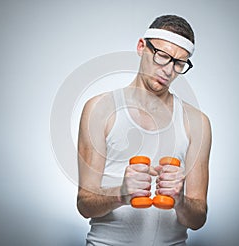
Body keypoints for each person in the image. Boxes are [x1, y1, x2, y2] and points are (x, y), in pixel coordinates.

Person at [77, 15, 212, 246]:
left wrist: (179, 200)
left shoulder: (197, 122)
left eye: (179, 63)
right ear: (142, 47)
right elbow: (84, 204)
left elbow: (198, 217)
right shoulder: (99, 110)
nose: (168, 70)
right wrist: (121, 193)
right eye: (162, 56)